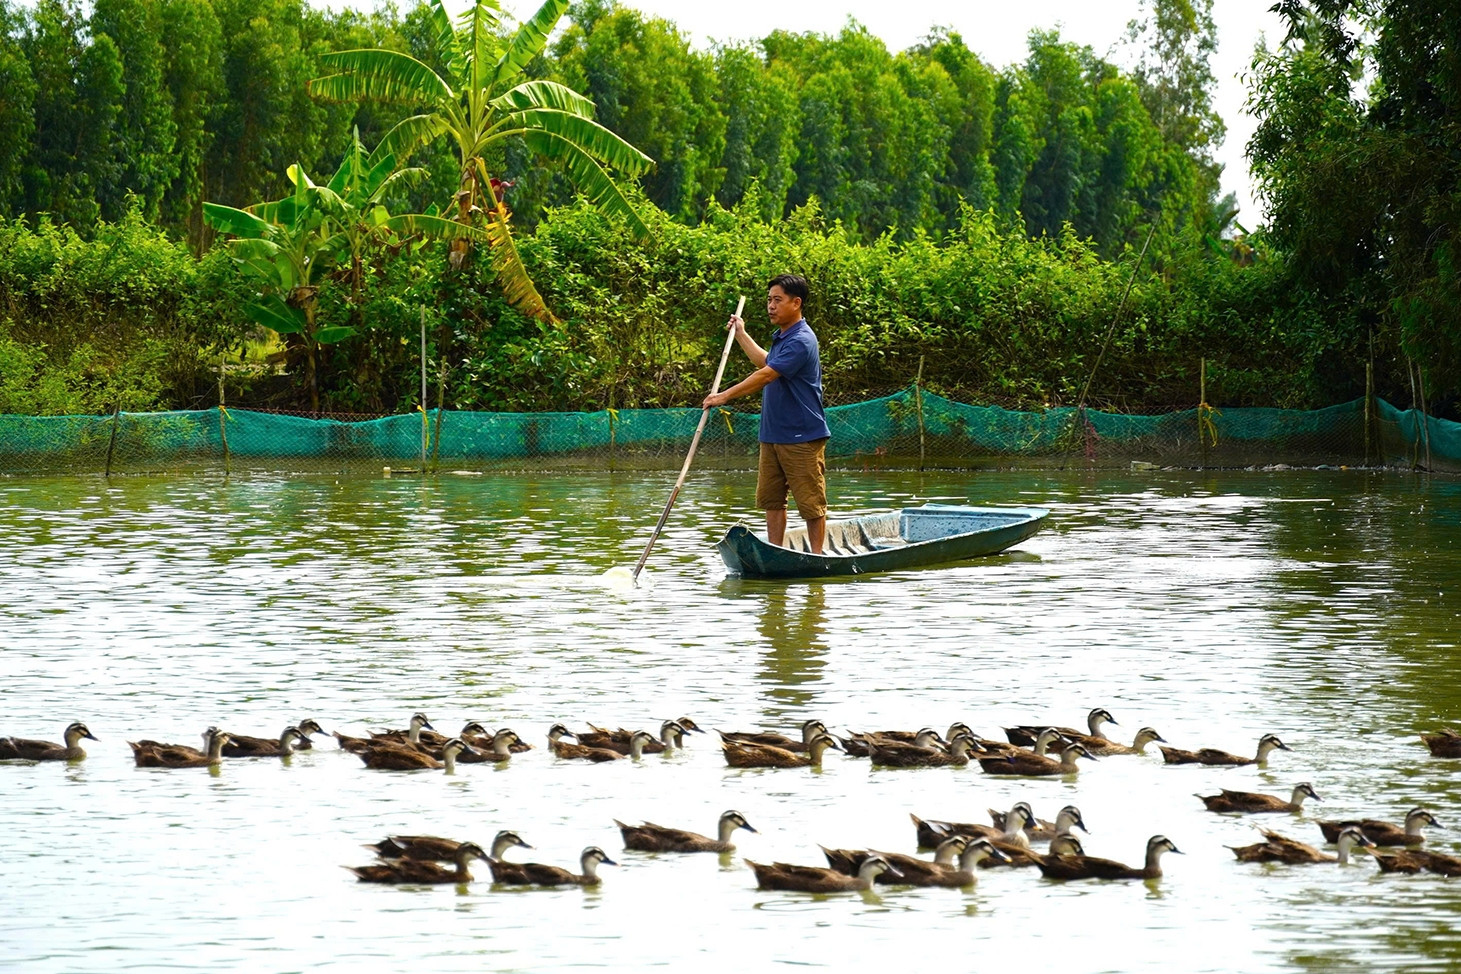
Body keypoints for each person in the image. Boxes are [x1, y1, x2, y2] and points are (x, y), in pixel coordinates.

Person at [703, 274, 831, 554]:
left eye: (778, 300)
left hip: (802, 434)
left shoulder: (802, 340)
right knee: (772, 500)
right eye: (769, 300)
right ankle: (776, 552)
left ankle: (817, 557)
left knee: (811, 503)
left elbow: (767, 374)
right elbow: (766, 361)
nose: (771, 306)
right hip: (772, 434)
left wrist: (724, 396)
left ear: (796, 303)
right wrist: (741, 333)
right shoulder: (782, 337)